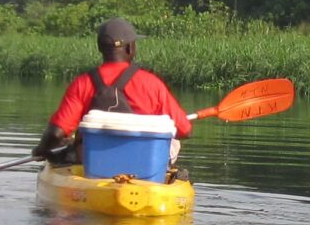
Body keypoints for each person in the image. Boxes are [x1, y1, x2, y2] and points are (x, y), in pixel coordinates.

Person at [33, 17, 196, 166]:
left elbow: (56, 133)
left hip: (93, 163)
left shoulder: (82, 83)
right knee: (174, 142)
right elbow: (185, 131)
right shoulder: (152, 84)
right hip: (142, 163)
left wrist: (42, 150)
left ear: (99, 48)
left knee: (69, 143)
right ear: (130, 48)